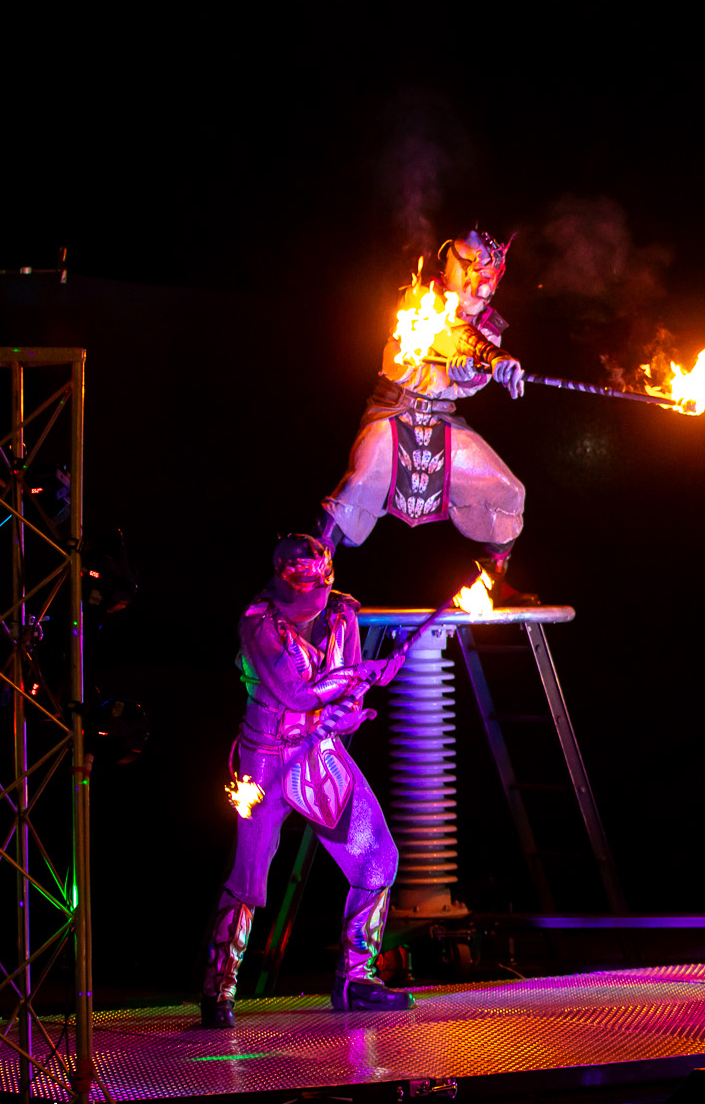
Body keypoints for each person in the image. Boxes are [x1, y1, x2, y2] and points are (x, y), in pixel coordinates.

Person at [200, 535, 413, 1028]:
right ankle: (218, 988)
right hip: (265, 760)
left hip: (319, 754)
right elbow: (296, 695)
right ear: (280, 580)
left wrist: (353, 705)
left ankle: (357, 978)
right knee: (250, 875)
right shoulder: (258, 624)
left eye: (316, 586)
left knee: (377, 857)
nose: (308, 598)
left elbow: (344, 700)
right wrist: (362, 675)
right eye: (297, 587)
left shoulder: (342, 614)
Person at [317, 229, 537, 604]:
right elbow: (454, 335)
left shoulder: (490, 328)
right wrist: (488, 356)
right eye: (469, 267)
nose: (477, 283)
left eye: (485, 274)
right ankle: (307, 575)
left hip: (441, 422)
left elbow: (469, 377)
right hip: (393, 412)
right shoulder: (421, 298)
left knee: (508, 492)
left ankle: (493, 583)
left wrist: (480, 371)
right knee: (358, 486)